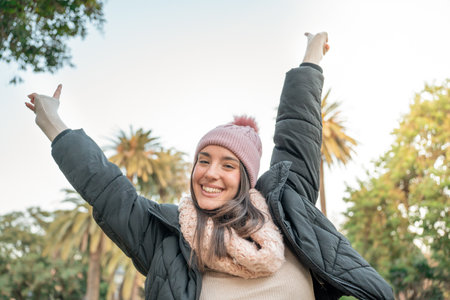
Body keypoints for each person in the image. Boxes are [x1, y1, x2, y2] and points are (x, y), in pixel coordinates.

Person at [25, 32, 394, 300]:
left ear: (247, 179)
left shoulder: (287, 211)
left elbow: (298, 130)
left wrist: (312, 54)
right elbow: (106, 189)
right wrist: (52, 123)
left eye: (228, 164)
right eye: (204, 160)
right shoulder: (166, 239)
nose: (211, 173)